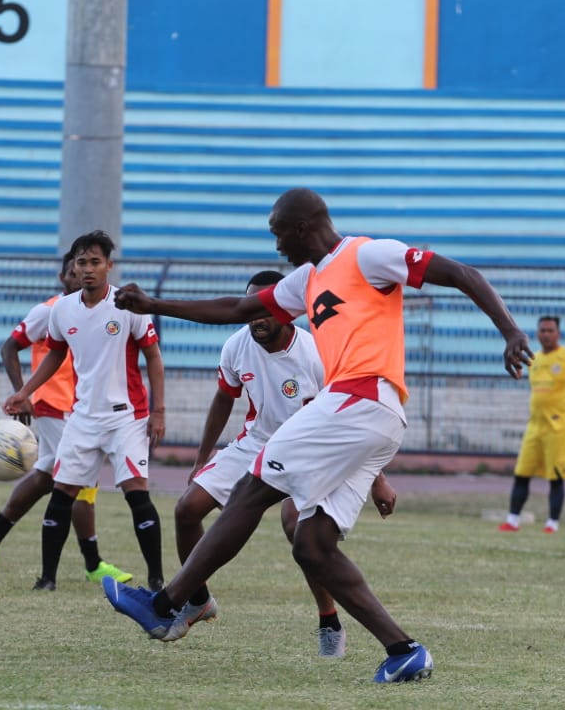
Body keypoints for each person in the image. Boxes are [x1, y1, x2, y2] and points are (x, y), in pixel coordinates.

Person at [104, 187, 532, 683]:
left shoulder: (368, 254)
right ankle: (404, 651)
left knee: (253, 486)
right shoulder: (307, 280)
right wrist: (155, 302)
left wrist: (510, 329)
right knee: (312, 544)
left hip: (359, 398)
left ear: (303, 227)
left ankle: (166, 604)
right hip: (374, 417)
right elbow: (237, 310)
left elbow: (460, 273)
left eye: (278, 234)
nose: (277, 247)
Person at [171, 269, 399, 658]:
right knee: (187, 509)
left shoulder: (315, 353)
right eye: (251, 310)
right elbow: (224, 399)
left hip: (309, 448)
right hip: (256, 442)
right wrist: (202, 458)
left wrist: (377, 479)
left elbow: (348, 420)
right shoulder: (236, 346)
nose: (257, 318)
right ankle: (198, 600)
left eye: (265, 310)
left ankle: (328, 620)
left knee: (298, 528)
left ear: (287, 311)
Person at [2, 231, 166, 591]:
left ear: (109, 265)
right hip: (82, 417)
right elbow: (56, 354)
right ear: (73, 267)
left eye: (95, 262)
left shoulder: (128, 305)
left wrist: (159, 411)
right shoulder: (63, 309)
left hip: (127, 416)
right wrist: (25, 391)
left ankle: (156, 578)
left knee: (136, 491)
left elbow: (153, 356)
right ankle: (47, 579)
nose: (88, 269)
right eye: (82, 262)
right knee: (62, 492)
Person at [0, 253, 132, 585]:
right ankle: (92, 563)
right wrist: (23, 394)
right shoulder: (50, 310)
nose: (83, 276)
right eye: (76, 271)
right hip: (54, 404)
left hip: (76, 406)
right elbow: (8, 348)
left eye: (89, 268)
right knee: (80, 481)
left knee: (47, 476)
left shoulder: (92, 312)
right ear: (65, 277)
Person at [499, 315, 565, 534]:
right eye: (542, 331)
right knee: (522, 473)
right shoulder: (533, 359)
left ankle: (552, 523)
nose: (546, 334)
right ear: (537, 334)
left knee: (555, 476)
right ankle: (512, 520)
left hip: (559, 426)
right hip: (535, 425)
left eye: (550, 330)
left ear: (558, 333)